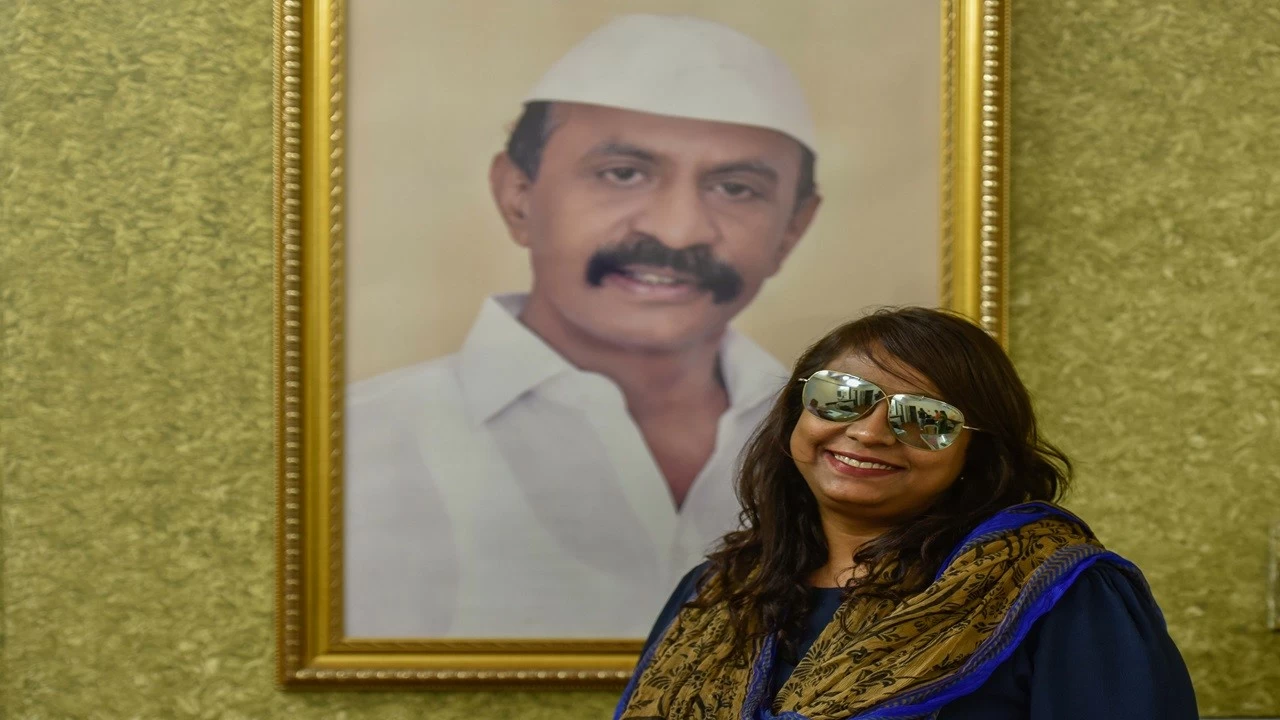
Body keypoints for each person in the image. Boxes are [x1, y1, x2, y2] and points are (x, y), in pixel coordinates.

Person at [344, 14, 823, 638]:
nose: (677, 230)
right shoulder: (348, 450)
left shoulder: (858, 446)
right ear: (518, 196)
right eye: (622, 174)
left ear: (791, 228)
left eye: (736, 188)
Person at [616, 307, 1198, 719]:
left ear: (978, 451)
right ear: (798, 411)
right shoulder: (719, 591)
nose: (869, 433)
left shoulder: (1060, 593)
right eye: (842, 396)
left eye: (924, 418)